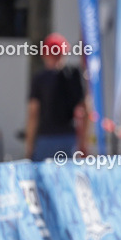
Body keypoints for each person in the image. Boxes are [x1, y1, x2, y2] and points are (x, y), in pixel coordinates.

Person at [26, 33, 88, 161]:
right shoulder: (74, 75)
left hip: (45, 138)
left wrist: (29, 145)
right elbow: (86, 109)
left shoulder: (40, 79)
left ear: (44, 54)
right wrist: (83, 141)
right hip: (69, 138)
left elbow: (33, 113)